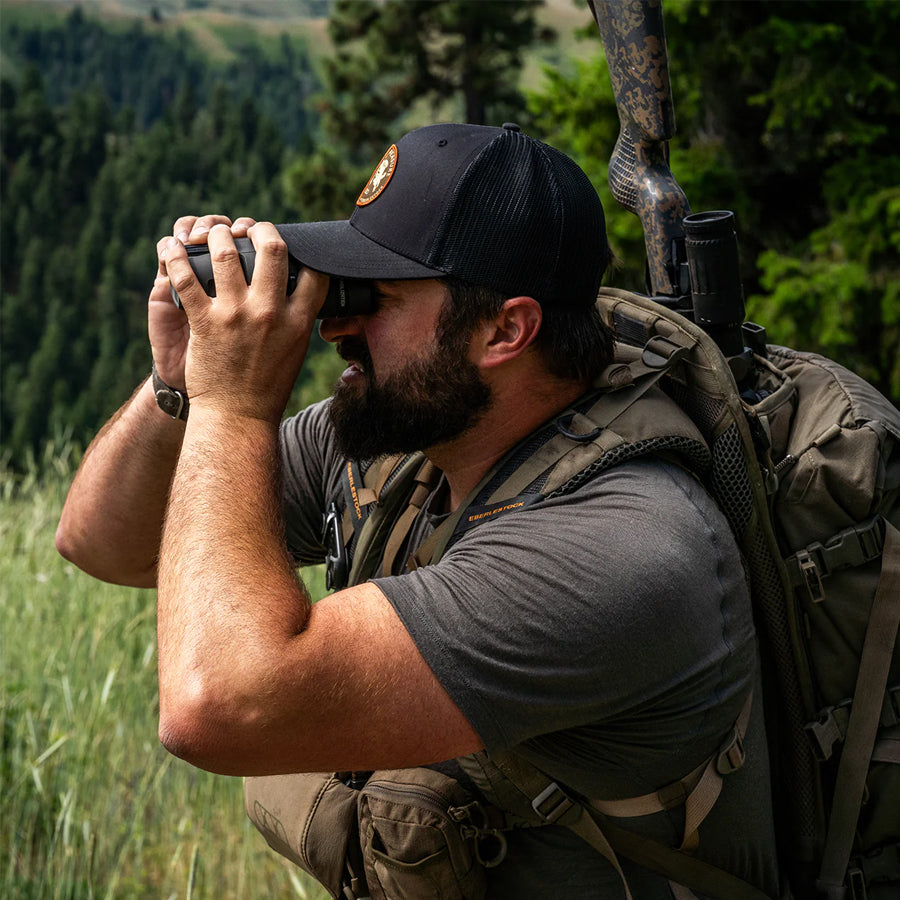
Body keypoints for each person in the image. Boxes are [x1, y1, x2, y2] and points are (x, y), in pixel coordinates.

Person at [57, 122, 779, 897]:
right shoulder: (403, 440)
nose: (336, 325)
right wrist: (179, 385)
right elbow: (103, 542)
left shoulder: (623, 550)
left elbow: (216, 705)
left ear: (506, 329)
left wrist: (232, 404)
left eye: (377, 298)